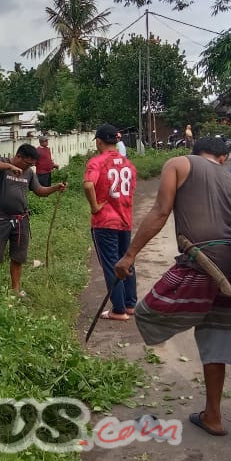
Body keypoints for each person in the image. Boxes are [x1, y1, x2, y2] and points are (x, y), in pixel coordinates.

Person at [114, 136, 231, 437]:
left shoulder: (178, 163)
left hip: (204, 261)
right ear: (222, 157)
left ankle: (190, 320)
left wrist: (130, 255)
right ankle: (212, 415)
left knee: (148, 312)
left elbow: (160, 211)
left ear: (196, 151)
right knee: (214, 334)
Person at [0, 144, 67, 296]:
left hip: (21, 220)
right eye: (27, 163)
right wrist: (10, 167)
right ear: (18, 156)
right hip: (1, 219)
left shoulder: (29, 173)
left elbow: (39, 191)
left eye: (32, 164)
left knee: (18, 256)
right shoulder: (3, 163)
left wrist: (55, 188)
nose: (29, 166)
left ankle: (15, 289)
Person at [85, 124, 138, 321]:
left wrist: (94, 207)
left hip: (105, 222)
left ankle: (119, 309)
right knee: (127, 262)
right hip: (125, 220)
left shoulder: (96, 162)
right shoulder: (128, 164)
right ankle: (130, 304)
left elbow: (88, 185)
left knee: (111, 265)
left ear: (99, 141)